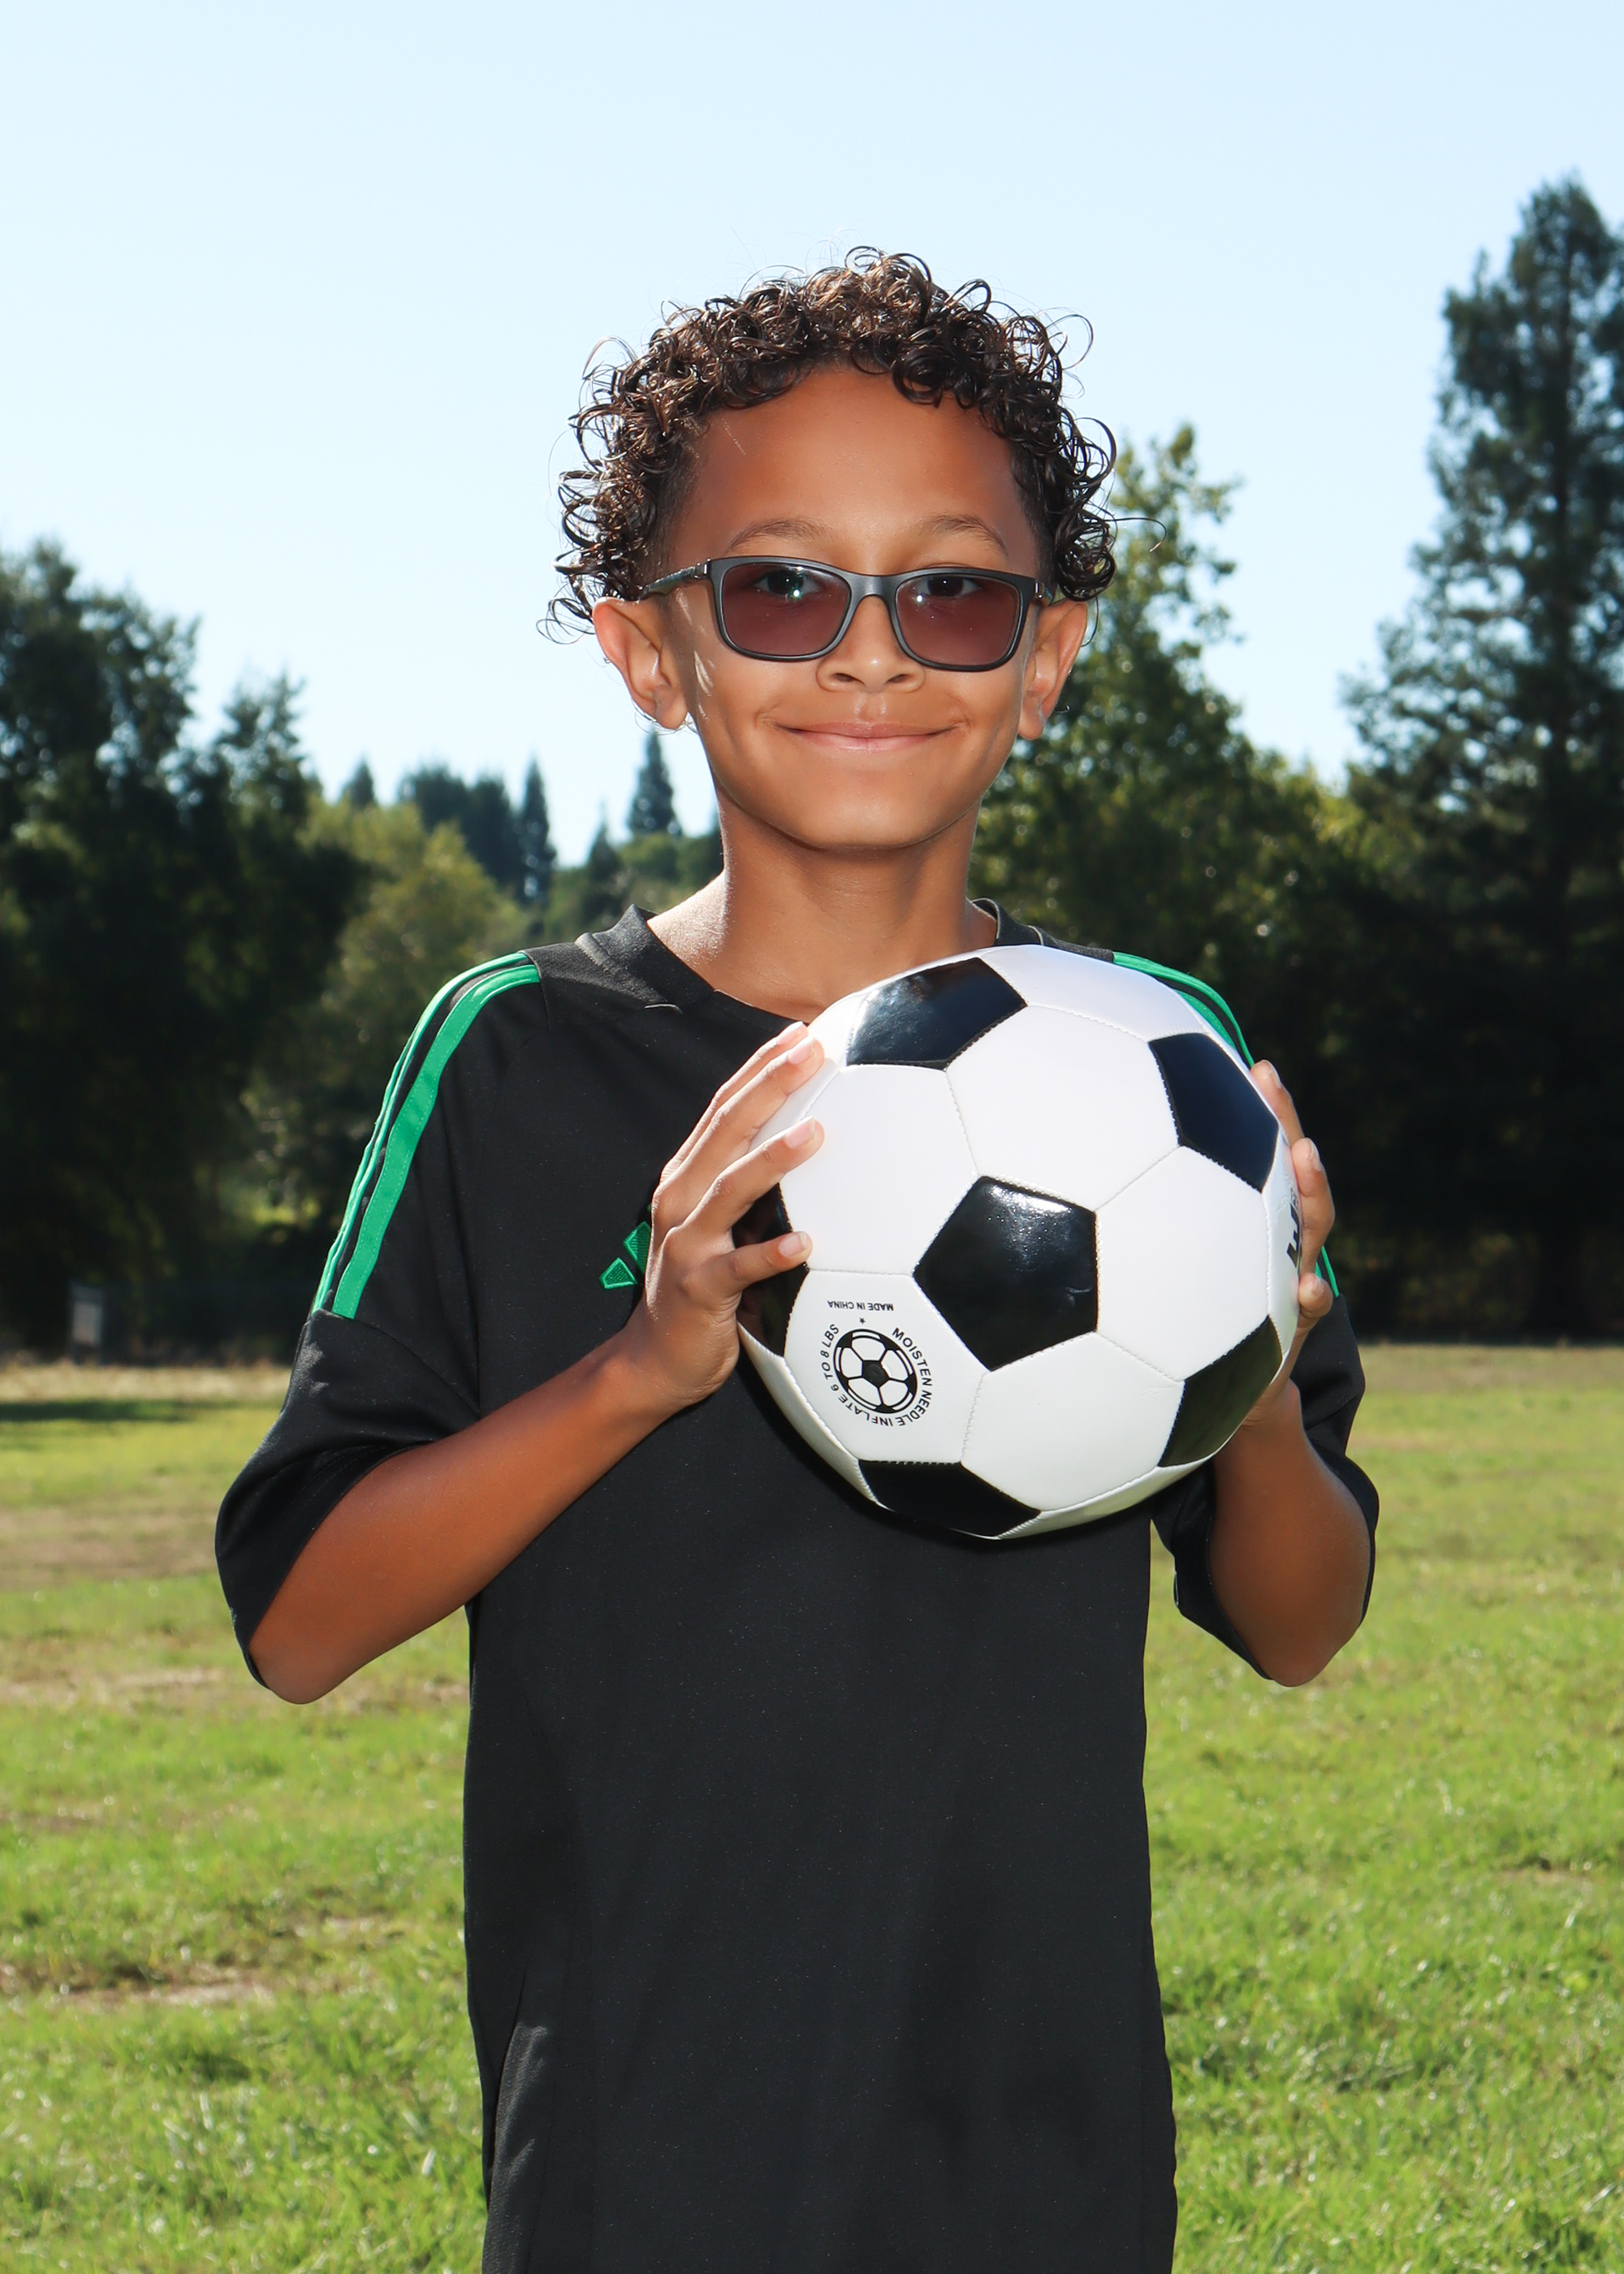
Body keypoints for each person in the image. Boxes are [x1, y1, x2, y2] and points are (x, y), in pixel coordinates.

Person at [217, 253, 1377, 2273]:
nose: (867, 654)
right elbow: (301, 1621)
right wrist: (640, 1366)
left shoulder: (1162, 1067)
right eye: (777, 588)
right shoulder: (513, 1055)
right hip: (641, 2158)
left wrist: (1248, 1378)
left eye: (951, 594)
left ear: (1046, 654)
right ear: (647, 649)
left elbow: (1301, 1619)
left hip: (1043, 2154)